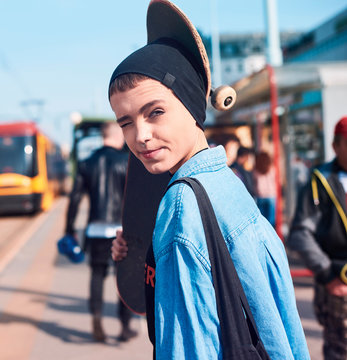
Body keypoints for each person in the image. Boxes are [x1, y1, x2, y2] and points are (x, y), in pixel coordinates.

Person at [108, 1, 309, 358]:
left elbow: (187, 345)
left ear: (191, 105)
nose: (140, 135)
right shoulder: (228, 184)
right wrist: (145, 251)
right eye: (126, 122)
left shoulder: (181, 206)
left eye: (155, 112)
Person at [64, 121, 136, 342]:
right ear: (118, 136)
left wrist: (69, 228)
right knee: (123, 277)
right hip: (122, 231)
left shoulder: (86, 163)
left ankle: (96, 319)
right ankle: (125, 326)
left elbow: (74, 198)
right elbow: (135, 198)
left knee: (97, 275)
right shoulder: (126, 161)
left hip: (95, 229)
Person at [287, 116, 347, 360]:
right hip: (338, 286)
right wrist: (328, 275)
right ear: (336, 145)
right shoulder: (319, 180)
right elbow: (300, 233)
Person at [254, 151, 277, 227]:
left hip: (260, 196)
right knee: (271, 221)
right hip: (271, 195)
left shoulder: (256, 170)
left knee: (262, 221)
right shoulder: (272, 169)